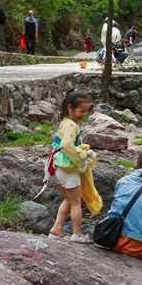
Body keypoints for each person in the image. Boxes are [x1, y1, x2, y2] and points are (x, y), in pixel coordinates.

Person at [48, 91, 95, 244]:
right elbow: (66, 145)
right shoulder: (71, 126)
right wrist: (83, 154)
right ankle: (77, 234)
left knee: (69, 199)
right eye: (81, 111)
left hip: (57, 166)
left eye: (86, 111)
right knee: (75, 202)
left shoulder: (65, 122)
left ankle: (56, 229)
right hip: (66, 168)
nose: (84, 114)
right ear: (70, 108)